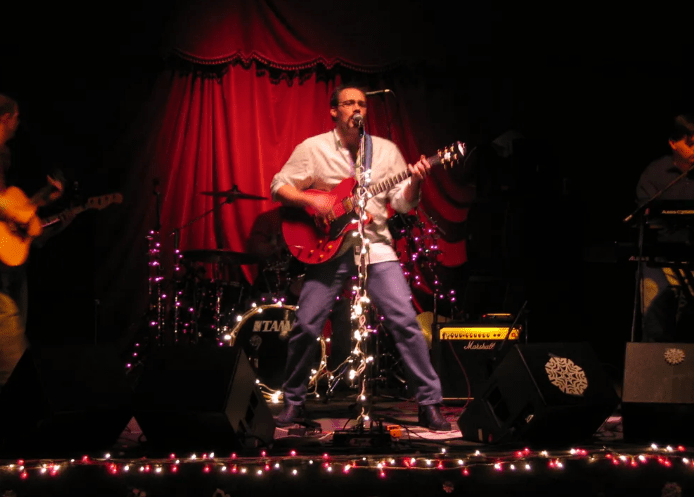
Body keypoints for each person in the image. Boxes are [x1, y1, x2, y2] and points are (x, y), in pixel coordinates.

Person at [270, 85, 451, 431]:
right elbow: (279, 186)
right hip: (328, 246)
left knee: (405, 322)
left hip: (376, 245)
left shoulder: (385, 151)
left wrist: (415, 181)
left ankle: (429, 403)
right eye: (349, 103)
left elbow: (403, 203)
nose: (357, 108)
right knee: (306, 324)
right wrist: (314, 200)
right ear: (334, 111)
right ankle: (293, 401)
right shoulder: (313, 148)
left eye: (362, 104)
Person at [0, 94, 71, 388]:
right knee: (15, 367)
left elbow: (11, 206)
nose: (18, 125)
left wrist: (42, 198)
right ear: (7, 118)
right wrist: (17, 215)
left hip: (8, 272)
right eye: (16, 118)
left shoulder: (3, 155)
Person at [635, 114, 694, 342]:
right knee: (656, 326)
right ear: (673, 143)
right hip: (659, 261)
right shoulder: (655, 174)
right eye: (691, 144)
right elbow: (648, 218)